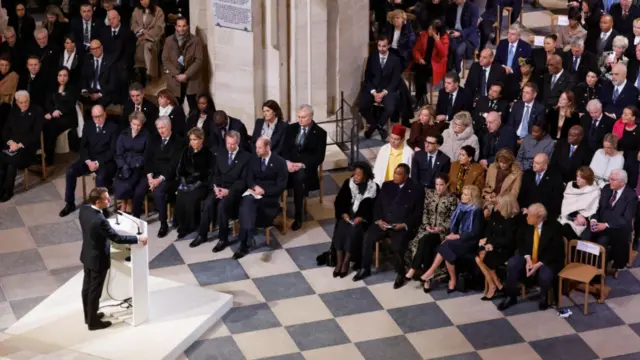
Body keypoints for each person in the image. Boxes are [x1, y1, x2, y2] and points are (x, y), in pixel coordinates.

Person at [79, 187, 147, 331]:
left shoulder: (84, 210)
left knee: (87, 287)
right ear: (98, 202)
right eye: (106, 198)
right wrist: (138, 238)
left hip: (87, 255)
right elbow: (116, 238)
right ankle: (93, 323)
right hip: (98, 259)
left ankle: (89, 316)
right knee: (94, 291)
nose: (110, 199)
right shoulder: (99, 220)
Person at [352, 164, 425, 288]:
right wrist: (379, 220)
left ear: (406, 176)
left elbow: (417, 213)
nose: (395, 176)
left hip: (400, 226)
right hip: (383, 223)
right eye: (394, 173)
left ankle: (401, 273)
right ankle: (365, 268)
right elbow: (378, 206)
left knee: (397, 246)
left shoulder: (416, 190)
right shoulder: (387, 185)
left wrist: (404, 225)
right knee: (368, 237)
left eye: (399, 174)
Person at [498, 203, 565, 311]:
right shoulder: (526, 223)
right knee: (512, 264)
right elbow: (520, 241)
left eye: (529, 215)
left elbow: (555, 251)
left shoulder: (554, 227)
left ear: (539, 218)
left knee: (545, 275)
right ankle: (511, 296)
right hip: (529, 255)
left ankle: (544, 297)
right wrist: (528, 258)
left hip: (546, 260)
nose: (527, 217)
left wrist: (538, 264)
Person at [191, 130, 250, 250]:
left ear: (238, 142)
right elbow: (215, 174)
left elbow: (243, 181)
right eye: (228, 143)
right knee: (208, 203)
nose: (230, 146)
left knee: (222, 206)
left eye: (233, 144)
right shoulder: (220, 154)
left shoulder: (246, 157)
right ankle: (202, 235)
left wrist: (228, 191)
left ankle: (223, 239)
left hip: (234, 192)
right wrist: (215, 187)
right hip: (219, 188)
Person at [420, 185, 484, 292]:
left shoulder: (477, 211)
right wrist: (452, 235)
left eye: (465, 195)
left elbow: (475, 233)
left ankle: (432, 273)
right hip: (458, 239)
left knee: (447, 245)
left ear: (472, 197)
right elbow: (454, 225)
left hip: (470, 241)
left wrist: (457, 236)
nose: (462, 196)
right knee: (447, 247)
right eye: (463, 193)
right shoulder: (461, 207)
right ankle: (451, 280)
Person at [233, 136, 288, 259]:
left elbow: (281, 186)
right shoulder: (254, 160)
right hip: (254, 193)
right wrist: (254, 186)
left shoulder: (280, 162)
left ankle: (245, 241)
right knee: (247, 203)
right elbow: (249, 178)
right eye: (256, 147)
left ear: (268, 147)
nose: (256, 150)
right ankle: (245, 241)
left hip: (269, 198)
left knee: (246, 207)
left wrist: (265, 191)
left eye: (259, 147)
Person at [60, 105, 117, 217]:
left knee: (101, 178)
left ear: (105, 114)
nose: (98, 119)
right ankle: (69, 203)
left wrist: (97, 163)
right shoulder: (88, 125)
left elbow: (112, 150)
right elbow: (83, 147)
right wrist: (88, 161)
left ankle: (102, 207)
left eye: (100, 116)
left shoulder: (113, 127)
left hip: (104, 162)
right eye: (95, 117)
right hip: (89, 160)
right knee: (70, 171)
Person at [405, 173, 458, 290]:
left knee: (425, 241)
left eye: (441, 185)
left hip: (441, 232)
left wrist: (441, 228)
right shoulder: (430, 195)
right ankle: (427, 280)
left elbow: (452, 219)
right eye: (437, 184)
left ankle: (413, 269)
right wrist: (427, 225)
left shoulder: (452, 199)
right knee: (426, 244)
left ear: (447, 185)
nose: (438, 187)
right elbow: (425, 212)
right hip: (427, 229)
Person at [582, 169, 637, 273]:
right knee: (584, 237)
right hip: (599, 223)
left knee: (601, 243)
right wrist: (593, 219)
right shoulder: (606, 189)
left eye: (613, 180)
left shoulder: (631, 196)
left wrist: (607, 225)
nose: (609, 181)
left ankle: (597, 275)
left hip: (616, 228)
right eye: (609, 179)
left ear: (622, 182)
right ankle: (584, 267)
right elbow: (597, 208)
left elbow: (626, 219)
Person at [137, 116, 185, 238]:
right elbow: (147, 158)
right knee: (139, 189)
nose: (161, 131)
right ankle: (135, 219)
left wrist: (159, 179)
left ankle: (163, 223)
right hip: (153, 174)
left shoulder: (178, 141)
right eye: (158, 128)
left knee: (159, 193)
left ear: (169, 127)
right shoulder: (154, 139)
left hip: (169, 177)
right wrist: (150, 177)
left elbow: (174, 165)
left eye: (163, 128)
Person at [282, 105, 327, 230]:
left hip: (306, 169)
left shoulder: (320, 133)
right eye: (299, 117)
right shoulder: (290, 129)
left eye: (303, 117)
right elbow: (284, 149)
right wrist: (287, 162)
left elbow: (319, 157)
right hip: (289, 165)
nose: (300, 120)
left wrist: (301, 165)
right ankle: (273, 211)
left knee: (299, 179)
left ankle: (298, 216)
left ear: (311, 117)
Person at [332, 162, 378, 278]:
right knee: (341, 227)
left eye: (358, 175)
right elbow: (339, 201)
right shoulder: (348, 183)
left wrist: (362, 218)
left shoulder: (373, 188)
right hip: (348, 214)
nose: (355, 177)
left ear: (365, 176)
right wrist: (343, 214)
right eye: (355, 174)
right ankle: (339, 262)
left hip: (362, 220)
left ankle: (346, 262)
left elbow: (375, 209)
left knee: (353, 231)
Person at [0, 91, 43, 202]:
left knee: (11, 162)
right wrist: (10, 142)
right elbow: (5, 130)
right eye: (21, 102)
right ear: (17, 102)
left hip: (27, 147)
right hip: (12, 145)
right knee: (2, 159)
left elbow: (35, 134)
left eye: (26, 102)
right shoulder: (13, 111)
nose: (24, 104)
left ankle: (8, 190)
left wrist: (19, 145)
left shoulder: (36, 111)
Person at [476, 193, 519, 300]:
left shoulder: (512, 220)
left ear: (506, 205)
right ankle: (496, 284)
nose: (497, 206)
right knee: (478, 257)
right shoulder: (496, 214)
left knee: (482, 257)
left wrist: (492, 244)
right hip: (493, 245)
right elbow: (489, 230)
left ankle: (494, 286)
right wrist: (486, 240)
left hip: (505, 249)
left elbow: (508, 240)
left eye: (499, 204)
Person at [360, 34, 402, 140]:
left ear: (388, 46)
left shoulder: (395, 60)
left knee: (390, 108)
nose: (381, 48)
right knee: (362, 106)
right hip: (373, 89)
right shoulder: (372, 57)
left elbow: (395, 80)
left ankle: (375, 127)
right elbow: (368, 77)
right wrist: (374, 92)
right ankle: (377, 126)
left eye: (384, 46)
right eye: (379, 46)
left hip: (387, 90)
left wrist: (383, 93)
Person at [174, 127, 213, 239]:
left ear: (201, 139)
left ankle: (190, 226)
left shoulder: (207, 154)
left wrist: (194, 186)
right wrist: (184, 183)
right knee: (181, 195)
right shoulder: (186, 151)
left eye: (195, 139)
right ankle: (182, 224)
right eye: (191, 140)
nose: (192, 142)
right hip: (187, 181)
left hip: (201, 184)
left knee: (191, 197)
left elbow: (207, 174)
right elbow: (180, 169)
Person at [161, 16, 204, 113]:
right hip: (175, 80)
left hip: (191, 79)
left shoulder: (195, 41)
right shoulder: (169, 40)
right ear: (175, 27)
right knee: (175, 107)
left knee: (193, 107)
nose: (181, 29)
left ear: (187, 26)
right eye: (179, 26)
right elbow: (165, 59)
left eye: (184, 26)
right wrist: (176, 74)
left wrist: (186, 75)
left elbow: (199, 60)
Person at [113, 111, 149, 213]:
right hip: (124, 164)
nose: (136, 127)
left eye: (139, 125)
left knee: (130, 180)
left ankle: (126, 203)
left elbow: (146, 155)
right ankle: (125, 203)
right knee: (119, 179)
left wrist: (135, 164)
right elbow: (118, 153)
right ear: (130, 123)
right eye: (134, 124)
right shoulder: (123, 134)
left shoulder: (146, 136)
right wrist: (123, 165)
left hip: (138, 166)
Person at [42, 67, 77, 166]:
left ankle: (49, 159)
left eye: (65, 75)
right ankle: (42, 154)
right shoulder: (52, 87)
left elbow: (70, 104)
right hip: (54, 115)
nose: (62, 78)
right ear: (57, 77)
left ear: (68, 77)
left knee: (50, 127)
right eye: (60, 75)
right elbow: (47, 102)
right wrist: (52, 112)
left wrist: (58, 111)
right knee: (43, 124)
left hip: (67, 117)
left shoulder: (72, 88)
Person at [411, 19, 449, 110]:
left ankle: (419, 99)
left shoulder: (444, 38)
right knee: (420, 71)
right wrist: (419, 58)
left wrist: (437, 41)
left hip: (436, 65)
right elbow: (415, 49)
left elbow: (443, 54)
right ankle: (421, 98)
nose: (429, 30)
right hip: (423, 62)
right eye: (429, 28)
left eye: (432, 29)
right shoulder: (424, 35)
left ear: (437, 31)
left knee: (420, 72)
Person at [558, 166, 600, 240]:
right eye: (577, 176)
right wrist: (578, 215)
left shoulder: (594, 191)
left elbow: (592, 210)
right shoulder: (570, 187)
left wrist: (581, 218)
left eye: (581, 177)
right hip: (566, 217)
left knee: (566, 228)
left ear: (588, 179)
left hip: (581, 223)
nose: (578, 179)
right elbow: (566, 206)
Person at [518, 153, 564, 219]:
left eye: (537, 163)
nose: (533, 165)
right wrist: (523, 208)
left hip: (545, 214)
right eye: (533, 162)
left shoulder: (555, 177)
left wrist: (540, 212)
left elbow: (556, 200)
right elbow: (522, 195)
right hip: (526, 212)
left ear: (545, 166)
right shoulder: (528, 174)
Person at [131, 0, 165, 85]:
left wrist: (146, 36)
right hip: (139, 38)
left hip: (153, 39)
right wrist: (141, 31)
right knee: (138, 47)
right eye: (142, 0)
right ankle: (141, 73)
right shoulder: (136, 10)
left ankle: (150, 74)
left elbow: (159, 27)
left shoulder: (158, 11)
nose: (144, 1)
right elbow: (133, 25)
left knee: (148, 46)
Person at [80, 39, 118, 109]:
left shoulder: (110, 61)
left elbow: (113, 84)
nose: (95, 51)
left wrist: (99, 94)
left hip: (104, 93)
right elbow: (83, 77)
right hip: (90, 92)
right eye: (92, 49)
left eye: (97, 48)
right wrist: (84, 90)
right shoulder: (88, 59)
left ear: (101, 47)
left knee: (100, 104)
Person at [444, 0, 479, 75]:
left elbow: (473, 27)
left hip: (467, 35)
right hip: (453, 32)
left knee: (458, 51)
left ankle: (456, 71)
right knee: (447, 46)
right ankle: (450, 69)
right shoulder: (452, 6)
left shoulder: (473, 8)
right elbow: (446, 22)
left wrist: (460, 33)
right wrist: (447, 30)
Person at [614, 106, 640, 188]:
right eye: (623, 114)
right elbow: (614, 141)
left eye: (626, 115)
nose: (622, 116)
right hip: (620, 153)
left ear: (633, 117)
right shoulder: (619, 125)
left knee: (631, 162)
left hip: (634, 155)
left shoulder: (638, 129)